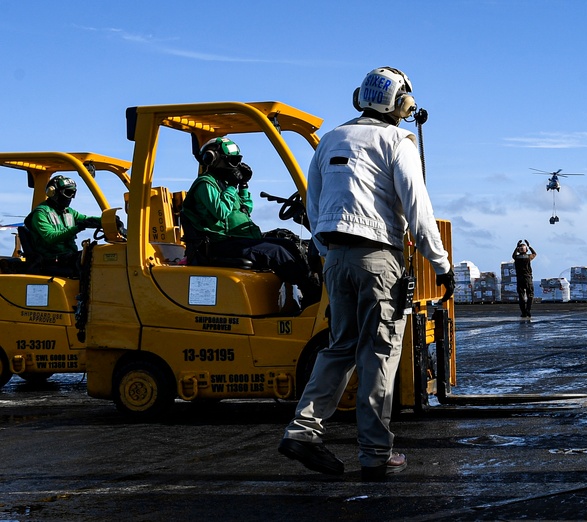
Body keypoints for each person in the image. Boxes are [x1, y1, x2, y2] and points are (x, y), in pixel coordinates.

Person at [279, 66, 455, 481]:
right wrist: (441, 265)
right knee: (378, 352)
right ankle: (376, 453)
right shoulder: (397, 141)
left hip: (335, 258)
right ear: (401, 104)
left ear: (361, 97)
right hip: (379, 260)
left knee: (339, 348)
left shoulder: (330, 140)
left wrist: (328, 254)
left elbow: (315, 206)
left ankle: (303, 431)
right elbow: (418, 211)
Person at [180, 136, 320, 307]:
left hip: (238, 238)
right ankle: (312, 295)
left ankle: (306, 290)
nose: (235, 166)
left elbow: (246, 209)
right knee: (277, 253)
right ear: (213, 159)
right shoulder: (205, 184)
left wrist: (243, 186)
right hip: (218, 243)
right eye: (231, 161)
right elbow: (220, 212)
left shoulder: (223, 183)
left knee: (288, 244)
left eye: (237, 161)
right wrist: (232, 185)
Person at [23, 175, 102, 276]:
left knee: (99, 255)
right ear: (53, 192)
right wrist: (78, 227)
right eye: (68, 193)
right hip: (52, 259)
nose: (71, 198)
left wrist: (107, 220)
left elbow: (87, 219)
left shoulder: (68, 212)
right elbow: (51, 237)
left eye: (73, 193)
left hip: (68, 256)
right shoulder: (41, 213)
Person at [512, 239, 537, 318]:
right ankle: (528, 310)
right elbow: (534, 254)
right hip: (528, 278)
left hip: (519, 279)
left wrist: (517, 247)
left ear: (519, 250)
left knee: (521, 296)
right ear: (526, 250)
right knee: (530, 295)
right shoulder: (528, 257)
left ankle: (523, 313)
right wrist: (529, 246)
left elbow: (513, 255)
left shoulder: (516, 257)